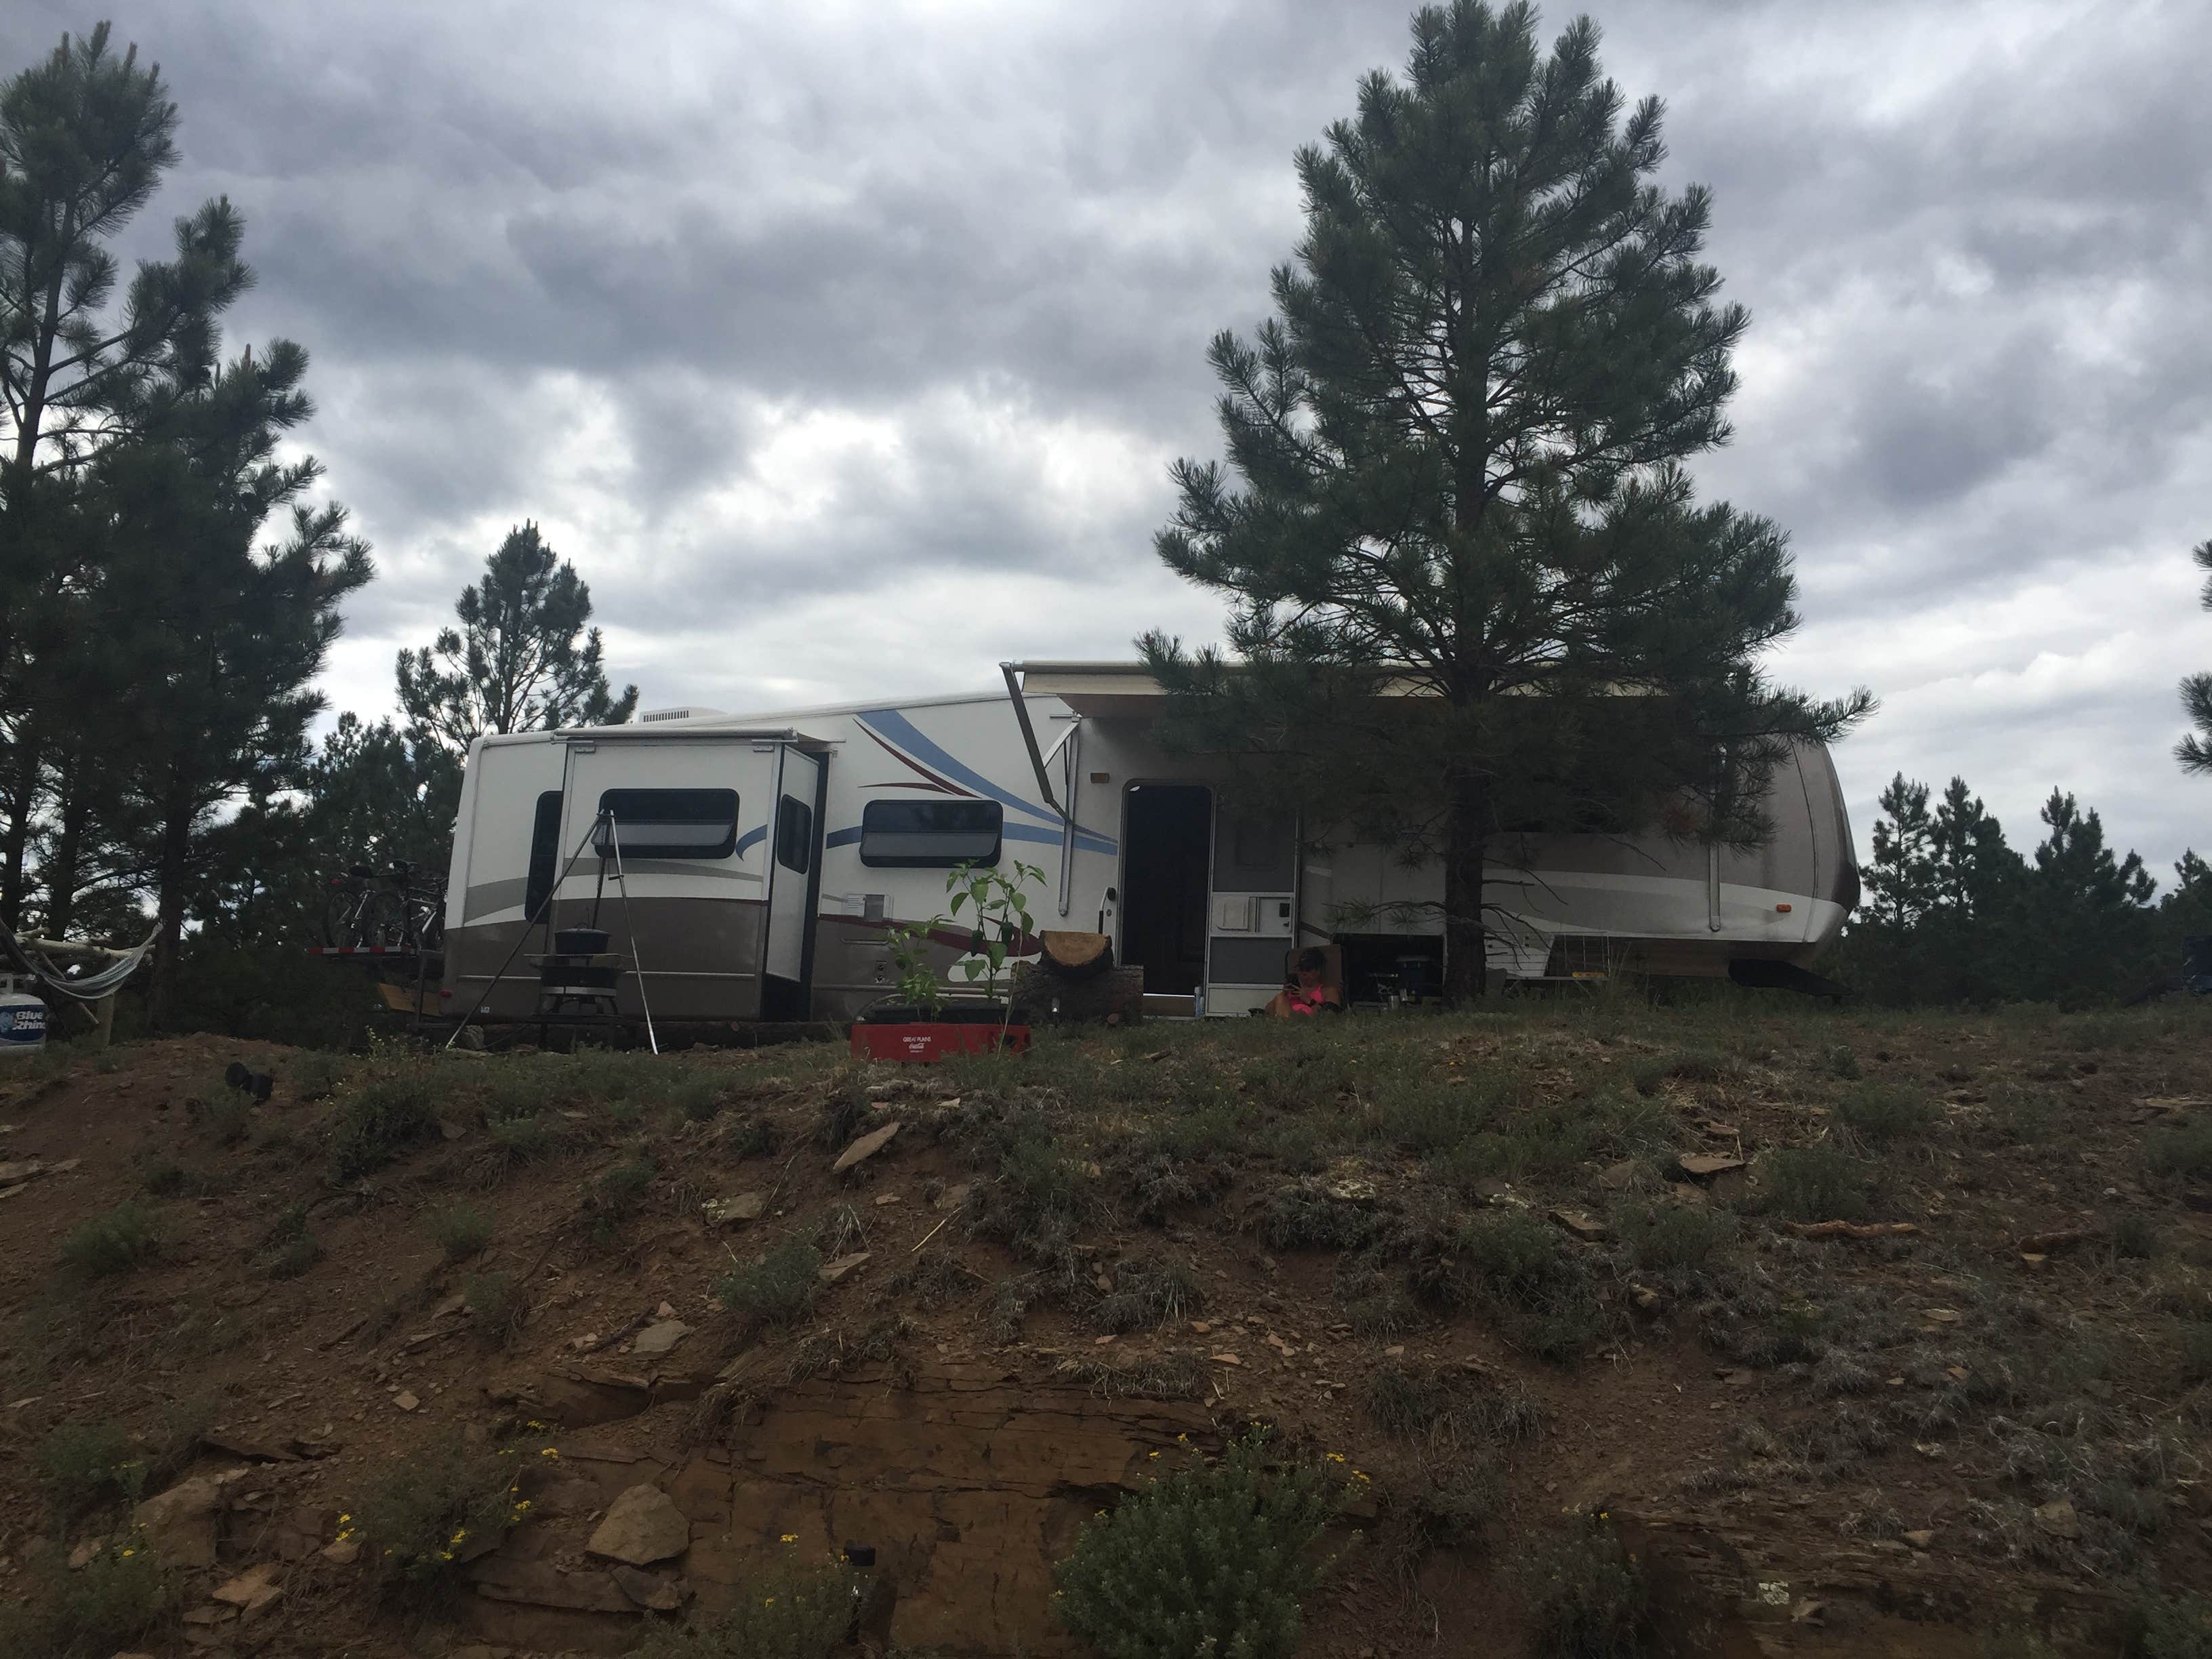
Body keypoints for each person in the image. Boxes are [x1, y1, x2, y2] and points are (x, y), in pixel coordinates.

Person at [1266, 947, 1342, 1018]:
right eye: (1301, 969)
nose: (1304, 973)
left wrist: (1309, 1001)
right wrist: (1284, 994)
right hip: (1288, 1018)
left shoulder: (1328, 991)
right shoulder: (1290, 993)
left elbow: (1330, 1015)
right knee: (1280, 998)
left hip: (1307, 1022)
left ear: (1318, 971)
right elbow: (1267, 1011)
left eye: (1308, 969)